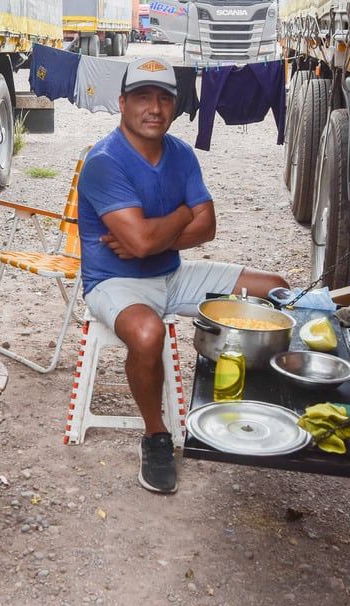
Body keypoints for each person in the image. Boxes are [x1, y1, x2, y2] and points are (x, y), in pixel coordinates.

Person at [77, 57, 290, 494]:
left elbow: (207, 226)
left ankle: (257, 405)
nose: (154, 107)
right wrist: (178, 216)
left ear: (175, 106)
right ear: (121, 103)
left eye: (163, 97)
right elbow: (142, 243)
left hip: (173, 275)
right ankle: (156, 435)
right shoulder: (104, 161)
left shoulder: (181, 153)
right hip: (114, 282)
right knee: (149, 333)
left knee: (276, 289)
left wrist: (154, 236)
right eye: (142, 97)